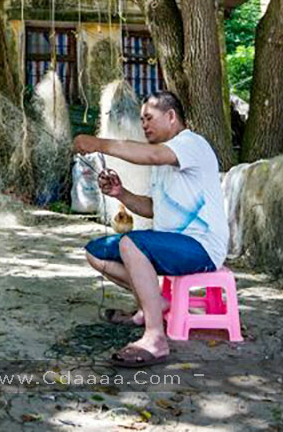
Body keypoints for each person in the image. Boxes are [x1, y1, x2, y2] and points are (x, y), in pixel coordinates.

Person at [73, 90, 227, 368]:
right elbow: (153, 209)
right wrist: (121, 193)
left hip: (202, 248)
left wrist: (98, 143)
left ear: (171, 116)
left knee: (130, 243)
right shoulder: (165, 161)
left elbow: (152, 156)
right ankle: (154, 305)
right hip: (173, 244)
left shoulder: (191, 144)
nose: (143, 125)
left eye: (148, 118)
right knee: (96, 253)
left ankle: (155, 339)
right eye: (141, 119)